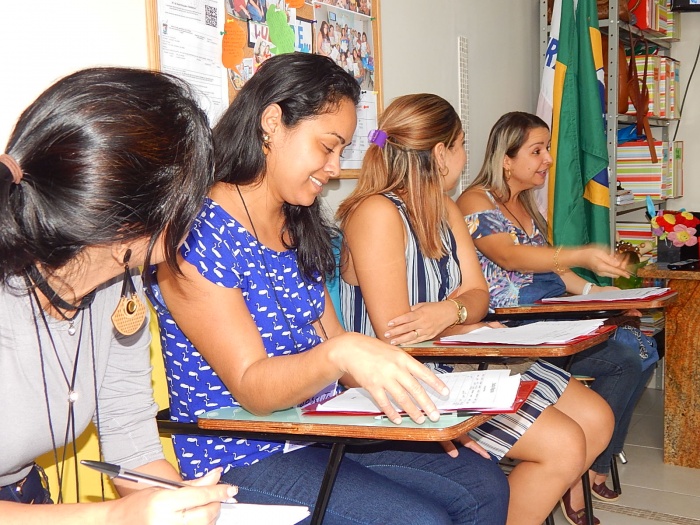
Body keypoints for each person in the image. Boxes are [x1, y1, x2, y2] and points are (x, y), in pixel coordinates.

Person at [146, 53, 510, 525]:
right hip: (242, 453)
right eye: (327, 147)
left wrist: (430, 416)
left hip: (320, 428)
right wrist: (340, 354)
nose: (335, 168)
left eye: (342, 151)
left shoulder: (295, 224)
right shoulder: (197, 235)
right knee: (418, 520)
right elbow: (254, 386)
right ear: (272, 123)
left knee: (482, 483)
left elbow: (337, 344)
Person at [336, 93, 615, 525]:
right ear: (440, 153)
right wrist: (458, 320)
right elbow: (397, 334)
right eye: (462, 144)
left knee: (597, 418)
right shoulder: (376, 212)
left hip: (456, 354)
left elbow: (478, 295)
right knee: (563, 445)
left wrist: (451, 313)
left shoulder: (446, 207)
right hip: (405, 376)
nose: (467, 156)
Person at [0, 67, 236, 523]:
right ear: (131, 222)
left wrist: (181, 503)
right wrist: (112, 517)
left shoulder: (119, 289)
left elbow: (131, 438)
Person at [457, 111, 652, 524]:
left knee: (641, 347)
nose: (547, 159)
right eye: (537, 150)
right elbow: (510, 256)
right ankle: (582, 470)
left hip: (549, 316)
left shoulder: (527, 207)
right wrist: (581, 254)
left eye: (546, 148)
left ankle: (585, 461)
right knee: (625, 358)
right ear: (506, 158)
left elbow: (558, 274)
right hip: (512, 325)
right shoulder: (476, 201)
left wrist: (606, 295)